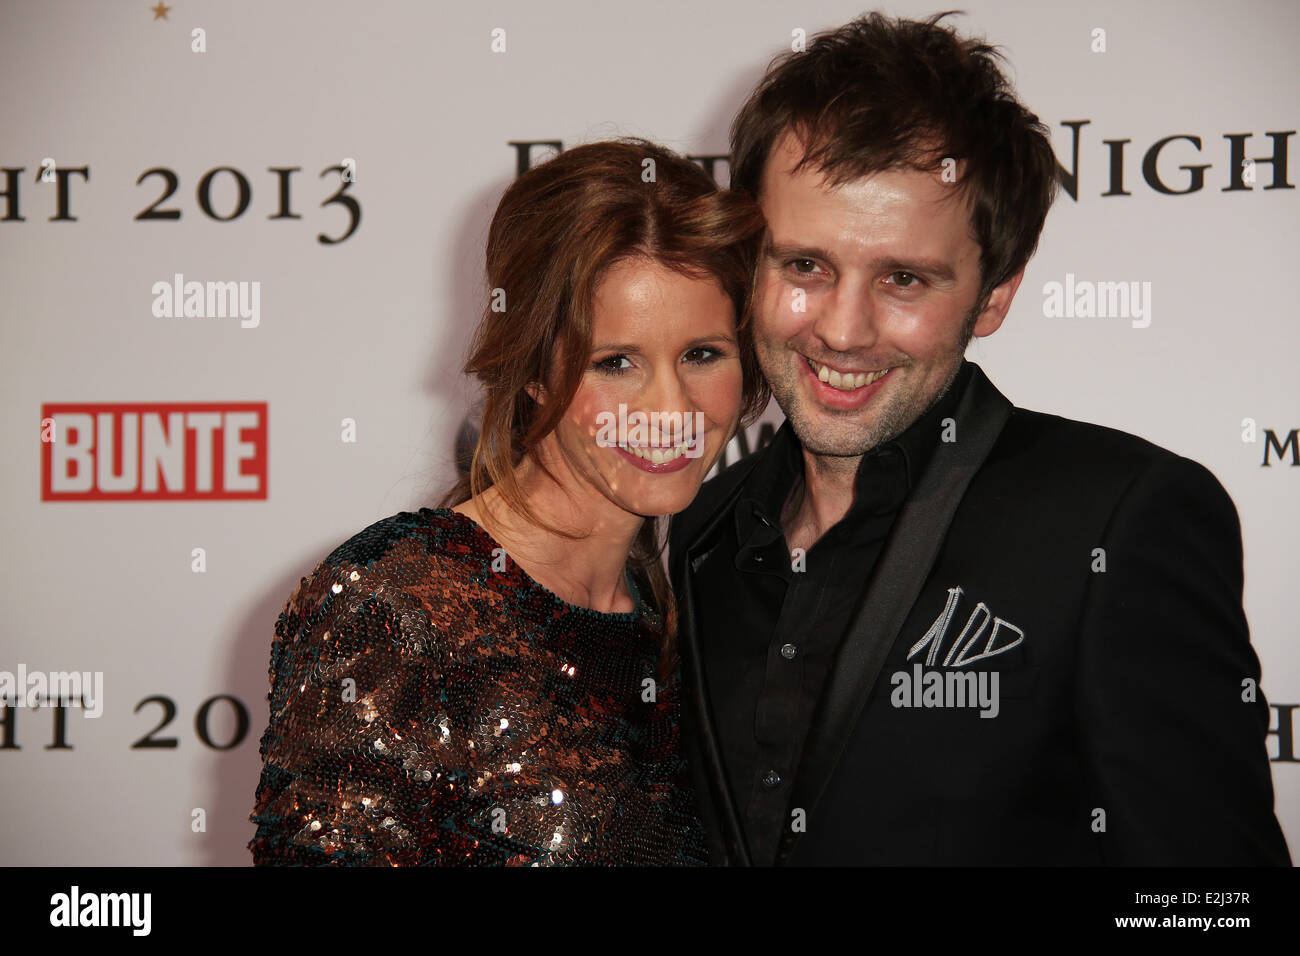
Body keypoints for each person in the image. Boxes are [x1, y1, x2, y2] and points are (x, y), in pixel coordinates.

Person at [668, 12, 1291, 865]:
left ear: (994, 294)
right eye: (805, 266)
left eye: (903, 278)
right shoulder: (703, 531)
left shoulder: (1115, 522)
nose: (844, 331)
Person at [248, 138, 767, 865]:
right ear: (531, 372)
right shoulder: (397, 607)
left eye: (702, 354)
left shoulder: (684, 619)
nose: (669, 407)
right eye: (614, 362)